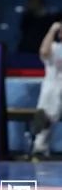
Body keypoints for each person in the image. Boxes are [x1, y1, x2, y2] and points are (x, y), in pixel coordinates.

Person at [31, 22, 62, 158]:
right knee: (46, 111)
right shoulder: (54, 47)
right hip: (53, 86)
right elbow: (44, 52)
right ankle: (40, 146)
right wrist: (52, 30)